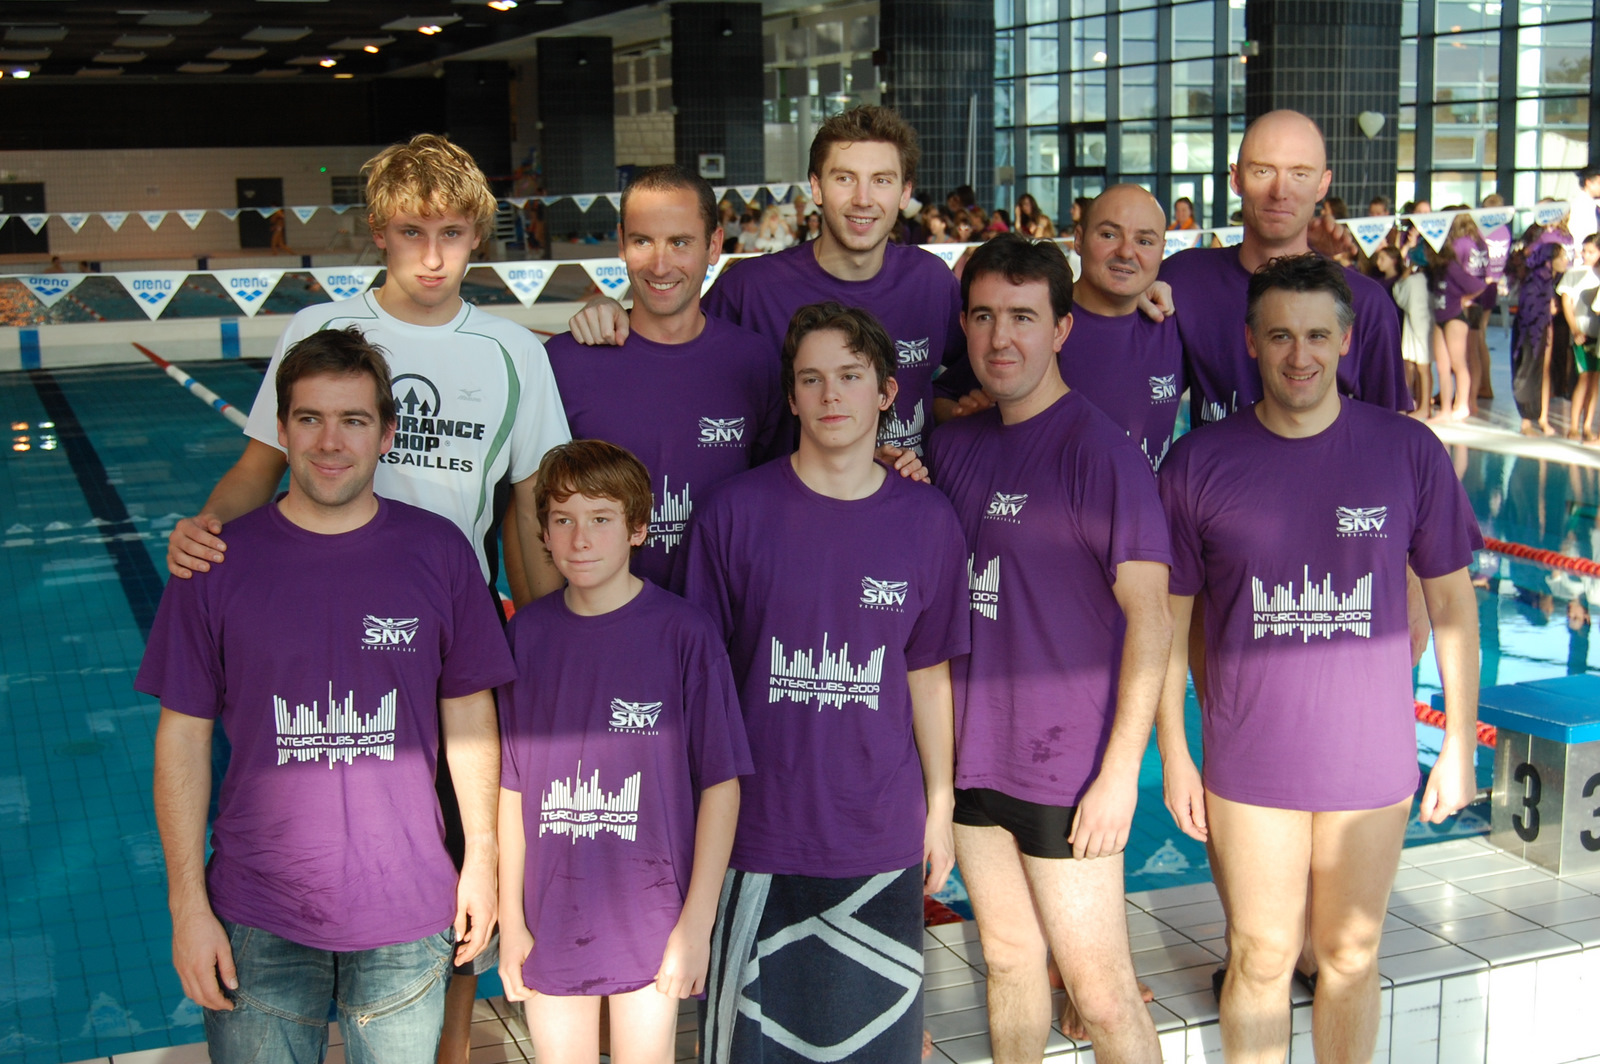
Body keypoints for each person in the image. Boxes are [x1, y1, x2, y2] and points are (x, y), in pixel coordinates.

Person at [164, 133, 572, 1063]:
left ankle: (446, 1048)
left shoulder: (512, 353)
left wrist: (553, 648)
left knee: (453, 881)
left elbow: (528, 514)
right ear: (380, 231)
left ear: (478, 238)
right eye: (411, 232)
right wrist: (206, 532)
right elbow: (260, 467)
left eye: (452, 234)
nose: (432, 256)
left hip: (444, 643)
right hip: (314, 630)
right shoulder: (322, 330)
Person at [141, 329, 517, 1063]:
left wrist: (483, 860)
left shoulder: (439, 552)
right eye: (310, 418)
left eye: (353, 420)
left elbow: (471, 714)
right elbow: (181, 737)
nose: (330, 441)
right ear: (281, 431)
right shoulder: (215, 564)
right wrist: (186, 906)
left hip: (409, 910)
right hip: (257, 913)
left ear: (387, 434)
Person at [1156, 254, 1481, 1064]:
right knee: (1262, 955)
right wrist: (1175, 753)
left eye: (1314, 336)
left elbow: (1452, 606)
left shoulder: (1407, 451)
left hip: (1370, 755)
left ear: (1345, 341)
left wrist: (1459, 745)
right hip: (1250, 758)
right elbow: (1166, 626)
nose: (1298, 355)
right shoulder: (1199, 463)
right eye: (1279, 336)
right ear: (1250, 343)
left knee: (1350, 953)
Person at [683, 303, 968, 1064]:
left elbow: (928, 671)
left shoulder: (928, 520)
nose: (831, 394)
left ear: (886, 391)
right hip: (757, 837)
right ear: (791, 397)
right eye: (811, 379)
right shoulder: (733, 514)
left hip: (878, 834)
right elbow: (702, 690)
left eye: (849, 375)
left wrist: (940, 806)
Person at [926, 234, 1171, 1064]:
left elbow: (1153, 621)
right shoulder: (954, 447)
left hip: (1065, 768)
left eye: (1024, 318)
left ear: (1062, 329)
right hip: (973, 758)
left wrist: (1120, 774)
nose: (1001, 339)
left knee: (1101, 994)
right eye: (984, 316)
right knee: (1007, 959)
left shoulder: (1102, 455)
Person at [496, 440, 750, 1064]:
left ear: (638, 528)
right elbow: (511, 788)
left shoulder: (685, 634)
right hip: (551, 913)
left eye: (601, 518)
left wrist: (696, 924)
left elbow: (722, 785)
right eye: (563, 519)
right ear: (543, 533)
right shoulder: (526, 636)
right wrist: (511, 921)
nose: (581, 539)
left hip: (653, 914)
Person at [568, 106, 962, 460]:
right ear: (816, 187)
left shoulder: (929, 281)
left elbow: (972, 378)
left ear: (905, 192)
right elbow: (674, 333)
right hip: (789, 504)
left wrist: (950, 411)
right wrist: (612, 310)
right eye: (845, 178)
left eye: (881, 180)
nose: (863, 198)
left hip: (905, 501)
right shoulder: (752, 289)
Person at [544, 166, 784, 589]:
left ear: (714, 245)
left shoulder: (755, 361)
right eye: (643, 241)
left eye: (679, 242)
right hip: (600, 621)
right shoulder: (565, 362)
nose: (660, 264)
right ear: (621, 242)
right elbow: (531, 512)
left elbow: (779, 492)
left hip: (722, 619)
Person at [1158, 110, 1408, 427]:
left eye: (1300, 174)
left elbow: (1392, 439)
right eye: (1263, 171)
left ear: (1322, 184)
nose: (1280, 192)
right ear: (1236, 179)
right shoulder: (1183, 280)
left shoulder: (1367, 304)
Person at [936, 185, 1184, 471]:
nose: (1126, 252)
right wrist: (969, 418)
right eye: (1108, 235)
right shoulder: (1033, 322)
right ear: (1078, 239)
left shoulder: (1175, 322)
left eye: (1145, 241)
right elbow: (940, 397)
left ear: (1162, 249)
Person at [1427, 211, 1488, 422]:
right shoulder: (1435, 269)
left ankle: (1462, 405)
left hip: (1455, 317)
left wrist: (1465, 299)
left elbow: (1479, 285)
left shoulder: (1452, 267)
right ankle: (1445, 409)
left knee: (1458, 363)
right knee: (1442, 367)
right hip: (1439, 317)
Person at [1374, 244, 1434, 420]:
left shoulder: (1412, 281)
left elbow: (1400, 296)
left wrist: (1404, 277)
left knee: (1420, 368)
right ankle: (1422, 403)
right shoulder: (1428, 279)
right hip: (1421, 325)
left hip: (1416, 326)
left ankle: (1423, 405)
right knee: (1420, 368)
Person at [1558, 233, 1600, 442]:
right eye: (1584, 251)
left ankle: (1587, 425)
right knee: (1583, 378)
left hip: (1597, 335)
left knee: (1594, 381)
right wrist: (1574, 329)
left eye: (1591, 252)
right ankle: (1574, 425)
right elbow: (1566, 302)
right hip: (1581, 334)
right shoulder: (1574, 273)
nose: (1586, 255)